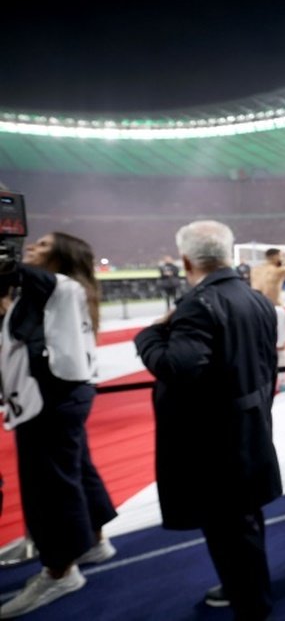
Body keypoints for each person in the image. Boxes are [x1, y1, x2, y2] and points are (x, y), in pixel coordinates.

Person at [134, 220, 281, 620]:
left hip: (215, 445)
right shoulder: (256, 299)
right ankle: (247, 585)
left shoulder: (198, 305)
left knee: (227, 531)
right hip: (250, 432)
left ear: (186, 260)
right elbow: (269, 367)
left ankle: (251, 603)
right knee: (246, 524)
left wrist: (147, 336)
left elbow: (177, 367)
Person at [0, 232, 118, 618]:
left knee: (47, 486)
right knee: (76, 470)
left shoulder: (58, 284)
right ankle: (93, 542)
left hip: (48, 398)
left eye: (44, 245)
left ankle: (59, 570)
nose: (32, 245)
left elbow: (9, 267)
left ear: (61, 258)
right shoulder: (66, 290)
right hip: (66, 394)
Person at [251, 246, 285, 392]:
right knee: (280, 347)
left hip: (256, 310)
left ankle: (262, 380)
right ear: (275, 257)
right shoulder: (278, 270)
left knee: (260, 347)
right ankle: (282, 382)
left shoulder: (255, 270)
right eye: (280, 256)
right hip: (274, 309)